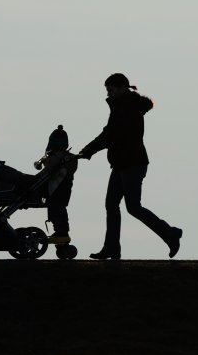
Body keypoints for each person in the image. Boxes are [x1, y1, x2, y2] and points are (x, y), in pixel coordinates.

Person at [79, 73, 182, 260]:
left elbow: (110, 134)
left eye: (111, 90)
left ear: (121, 88)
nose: (108, 94)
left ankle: (170, 233)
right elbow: (110, 133)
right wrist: (88, 150)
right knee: (112, 205)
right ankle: (111, 248)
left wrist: (88, 150)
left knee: (133, 207)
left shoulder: (127, 108)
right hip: (121, 163)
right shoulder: (123, 106)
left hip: (132, 163)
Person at [34, 124, 77, 244]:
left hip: (57, 189)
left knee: (56, 208)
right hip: (64, 189)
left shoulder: (58, 157)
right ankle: (60, 232)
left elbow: (47, 172)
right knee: (57, 208)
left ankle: (62, 232)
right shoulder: (69, 157)